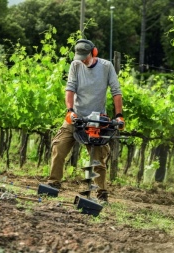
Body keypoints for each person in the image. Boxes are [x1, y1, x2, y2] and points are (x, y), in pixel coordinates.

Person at [47, 39, 124, 202]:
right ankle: (53, 183)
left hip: (96, 119)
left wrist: (118, 116)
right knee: (58, 146)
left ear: (93, 53)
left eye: (85, 56)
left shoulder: (106, 66)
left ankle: (101, 193)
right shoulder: (75, 65)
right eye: (80, 56)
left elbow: (116, 92)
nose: (82, 59)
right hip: (77, 117)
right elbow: (70, 88)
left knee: (98, 158)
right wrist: (70, 111)